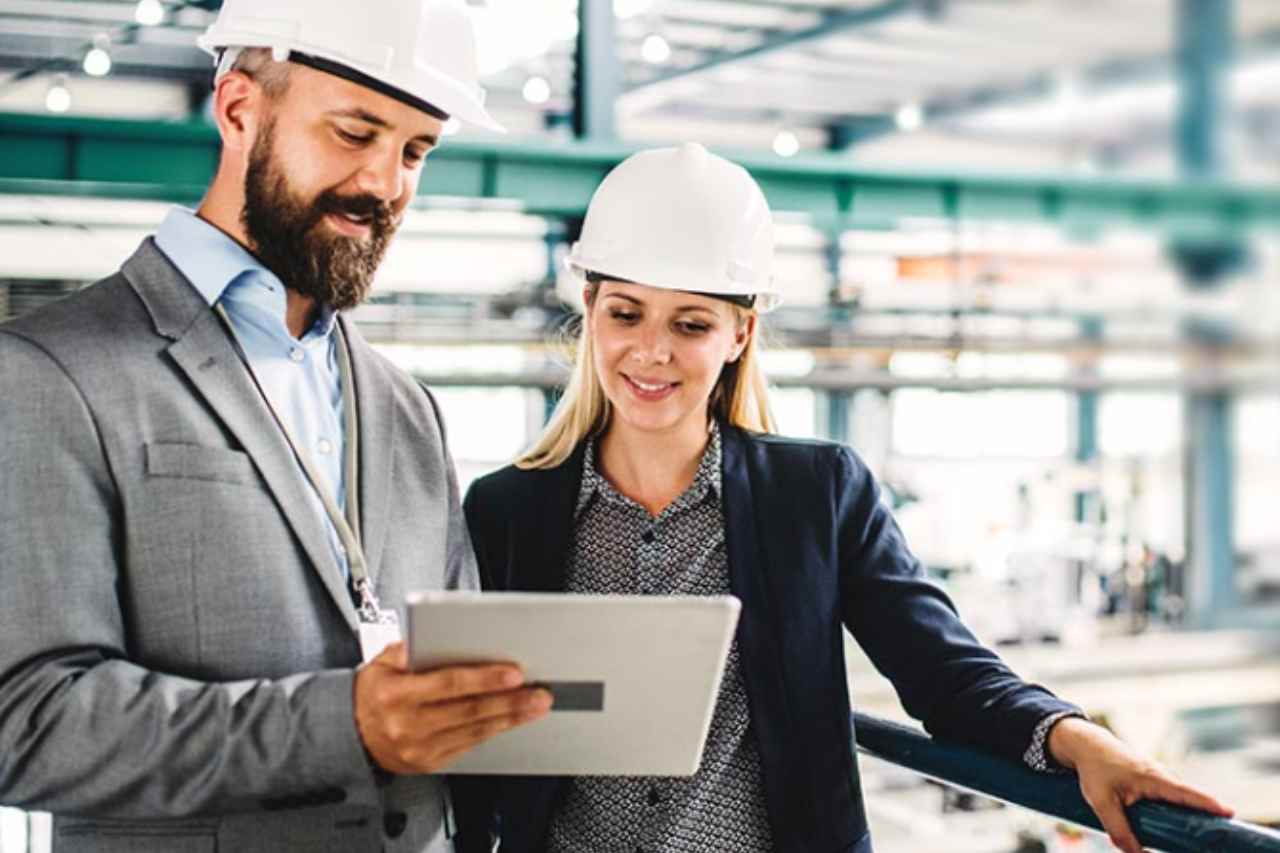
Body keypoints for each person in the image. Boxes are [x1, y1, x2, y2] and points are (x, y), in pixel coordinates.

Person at [455, 143, 1232, 853]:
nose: (651, 350)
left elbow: (941, 667)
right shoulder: (507, 511)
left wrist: (1076, 738)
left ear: (739, 336)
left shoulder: (816, 495)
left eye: (690, 323)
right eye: (626, 312)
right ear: (590, 312)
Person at [0, 2, 551, 851]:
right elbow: (27, 720)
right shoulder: (52, 372)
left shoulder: (407, 409)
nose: (385, 184)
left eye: (413, 151)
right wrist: (344, 724)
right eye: (353, 132)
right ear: (238, 109)